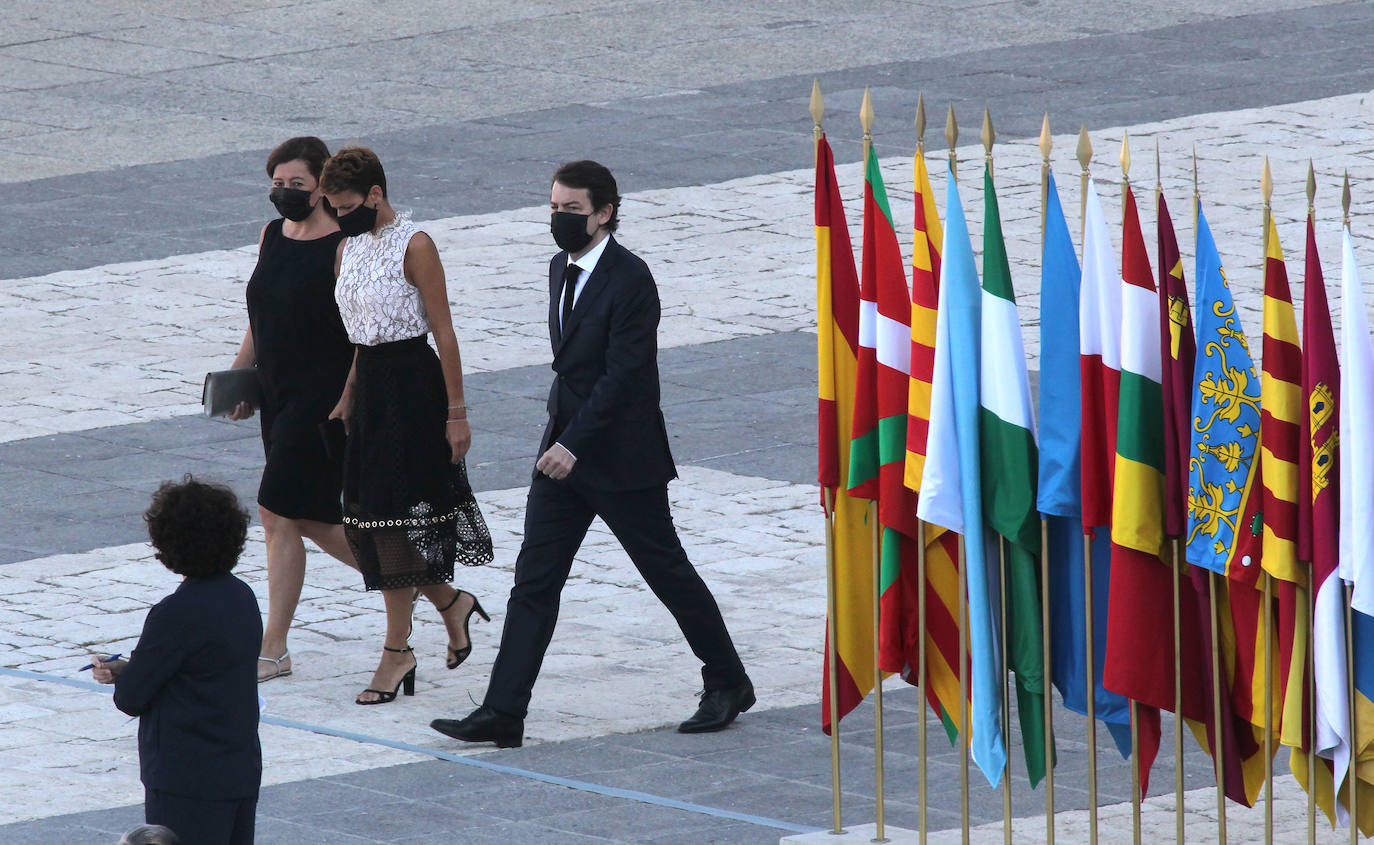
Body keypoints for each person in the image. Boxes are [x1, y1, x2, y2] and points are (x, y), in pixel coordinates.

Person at [431, 160, 752, 749]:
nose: (559, 220)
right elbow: (572, 367)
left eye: (571, 211)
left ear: (604, 213)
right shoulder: (560, 266)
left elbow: (626, 376)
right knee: (534, 580)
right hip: (561, 454)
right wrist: (559, 438)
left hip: (618, 459)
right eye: (553, 208)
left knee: (666, 573)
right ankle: (504, 711)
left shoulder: (632, 280)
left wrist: (574, 444)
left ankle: (728, 680)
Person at [320, 146, 494, 706]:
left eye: (346, 204)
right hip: (369, 387)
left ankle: (397, 651)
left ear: (375, 194)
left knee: (396, 519)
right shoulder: (346, 247)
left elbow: (444, 332)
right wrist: (348, 395)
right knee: (370, 519)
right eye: (332, 206)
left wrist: (457, 412)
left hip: (412, 386)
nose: (339, 215)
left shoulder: (415, 244)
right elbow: (357, 332)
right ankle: (449, 603)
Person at [225, 136, 360, 683]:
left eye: (296, 185)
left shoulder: (344, 246)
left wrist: (351, 395)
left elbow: (362, 330)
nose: (284, 194)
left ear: (323, 186)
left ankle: (273, 647)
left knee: (276, 511)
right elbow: (261, 316)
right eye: (277, 184)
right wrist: (239, 377)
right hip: (277, 395)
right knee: (309, 518)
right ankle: (432, 588)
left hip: (322, 398)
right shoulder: (271, 236)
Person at [90, 477, 261, 845]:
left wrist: (125, 675)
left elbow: (131, 697)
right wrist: (130, 670)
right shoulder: (241, 597)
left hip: (186, 778)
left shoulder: (174, 613)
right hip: (238, 767)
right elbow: (206, 666)